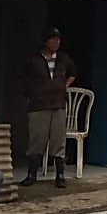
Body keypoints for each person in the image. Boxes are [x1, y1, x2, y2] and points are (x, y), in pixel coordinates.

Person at [22, 28, 77, 188]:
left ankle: (60, 175)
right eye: (53, 39)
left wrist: (62, 86)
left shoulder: (63, 59)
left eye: (58, 40)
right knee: (37, 140)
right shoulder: (34, 60)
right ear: (45, 41)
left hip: (58, 104)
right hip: (38, 105)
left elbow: (73, 73)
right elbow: (24, 79)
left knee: (58, 141)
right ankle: (32, 174)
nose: (56, 43)